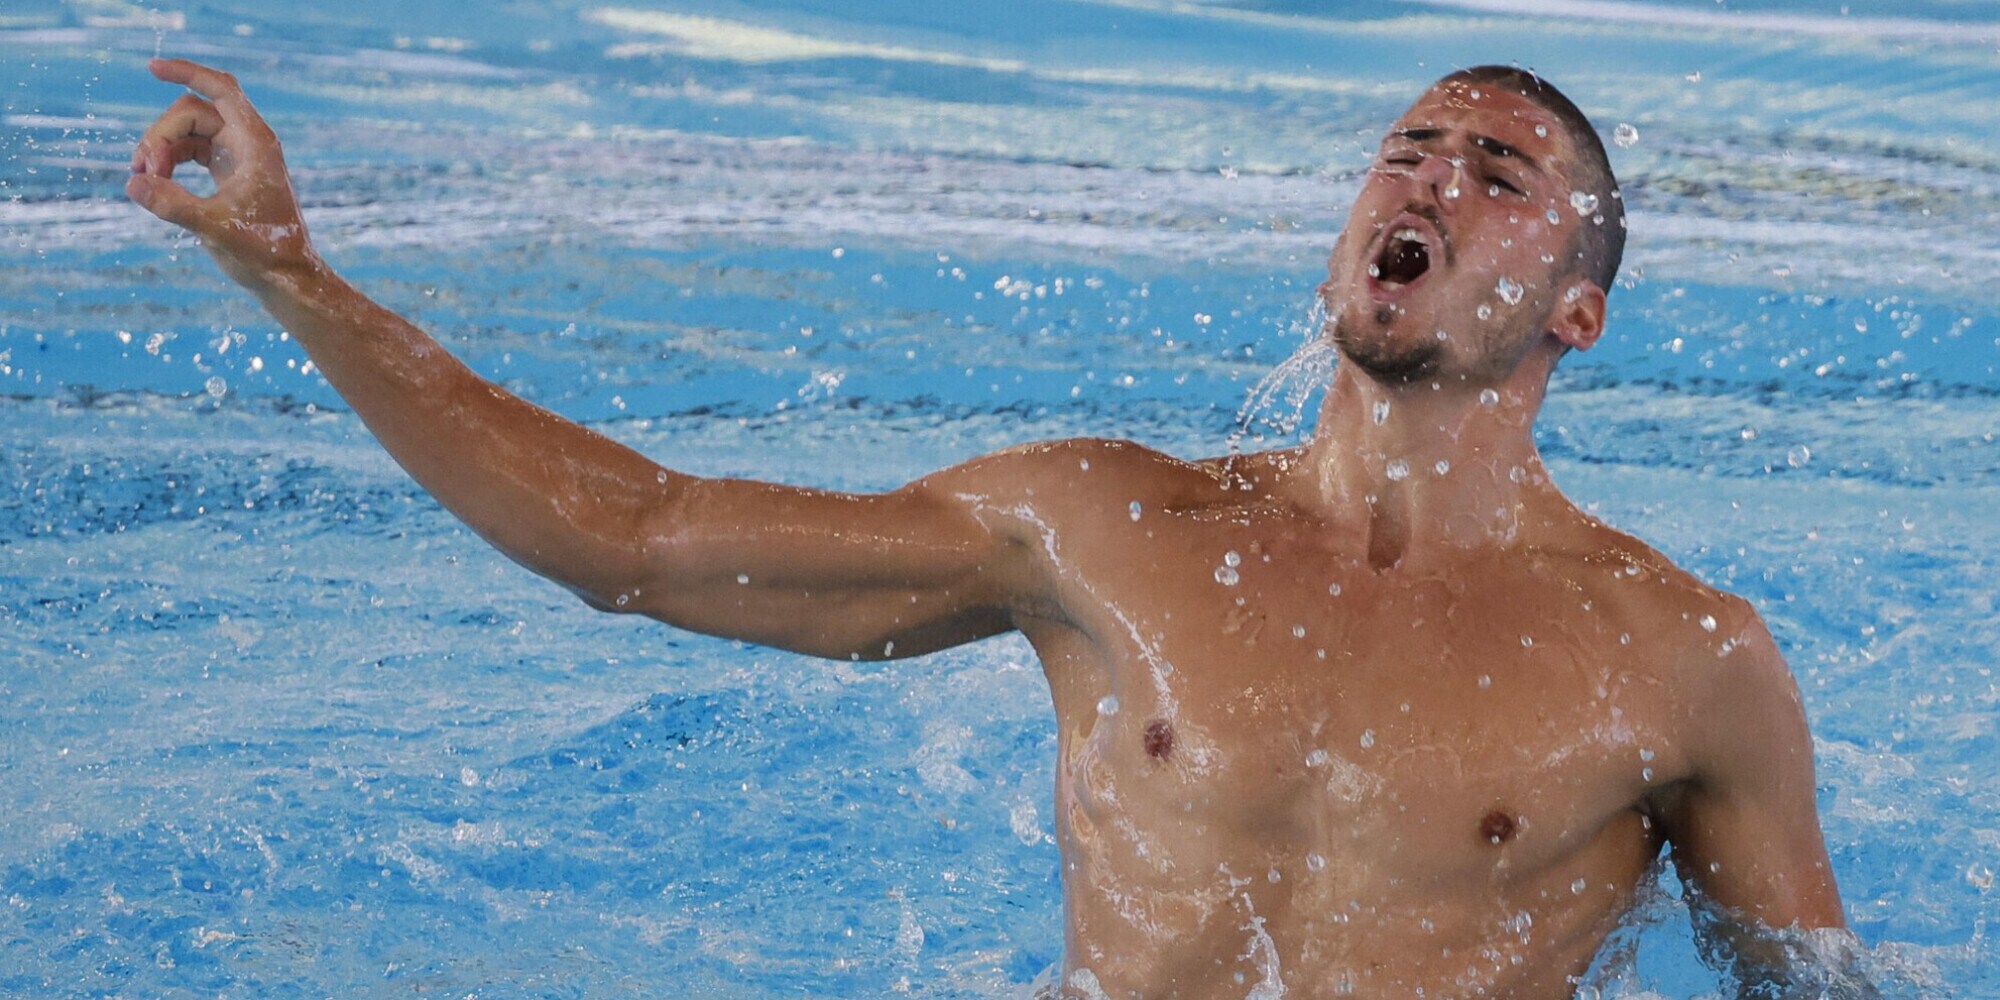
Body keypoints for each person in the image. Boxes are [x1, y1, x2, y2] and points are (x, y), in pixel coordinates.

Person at [128, 56, 1870, 998]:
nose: (1427, 180)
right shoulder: (1106, 529)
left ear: (1577, 311)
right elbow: (637, 539)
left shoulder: (1679, 661)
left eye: (1500, 176)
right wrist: (294, 278)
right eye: (1407, 149)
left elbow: (1811, 993)